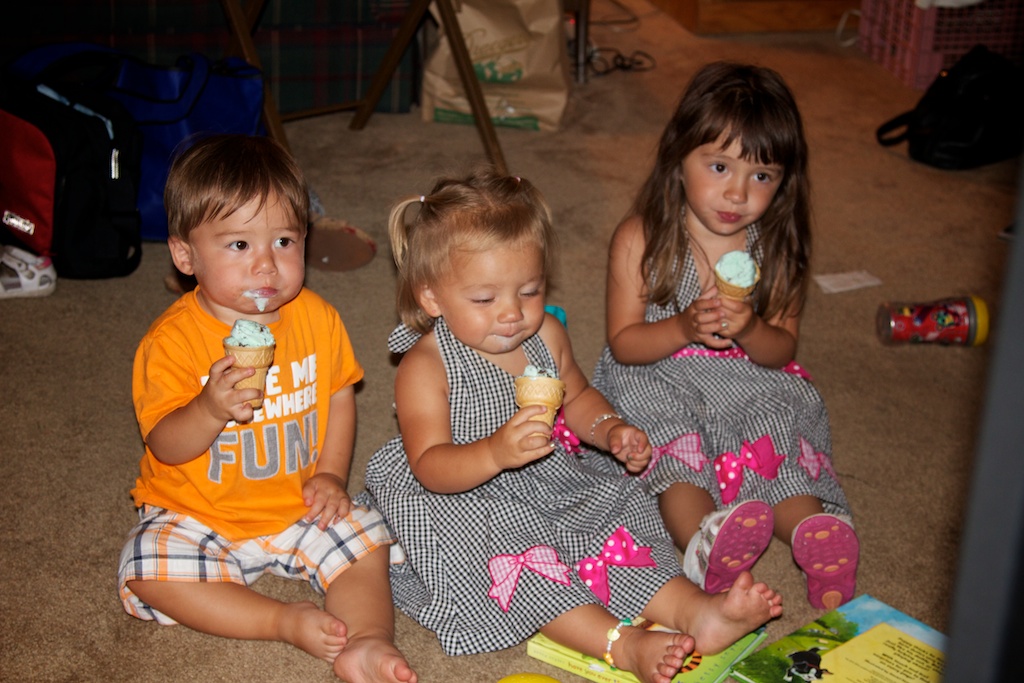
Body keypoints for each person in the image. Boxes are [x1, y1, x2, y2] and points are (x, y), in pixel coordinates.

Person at [361, 167, 782, 683]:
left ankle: (695, 610)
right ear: (431, 298)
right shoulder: (425, 366)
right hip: (466, 496)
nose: (512, 314)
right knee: (524, 562)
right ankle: (621, 644)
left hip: (551, 476)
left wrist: (609, 428)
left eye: (529, 290)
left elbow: (577, 397)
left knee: (616, 521)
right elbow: (429, 465)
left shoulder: (548, 335)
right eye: (485, 299)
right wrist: (494, 453)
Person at [117, 134, 416, 683]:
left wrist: (331, 475)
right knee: (146, 568)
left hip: (295, 504)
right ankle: (278, 621)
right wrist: (209, 408)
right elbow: (164, 443)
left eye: (283, 241)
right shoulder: (171, 341)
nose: (266, 265)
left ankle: (366, 640)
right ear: (185, 256)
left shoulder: (318, 319)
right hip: (197, 510)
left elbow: (339, 396)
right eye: (238, 245)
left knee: (366, 535)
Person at [591, 62, 859, 610]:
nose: (737, 193)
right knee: (672, 438)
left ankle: (813, 534)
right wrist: (684, 326)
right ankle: (705, 541)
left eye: (762, 177)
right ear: (678, 158)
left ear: (784, 181)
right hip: (659, 372)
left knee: (776, 425)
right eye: (719, 166)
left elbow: (782, 348)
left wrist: (752, 327)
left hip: (747, 377)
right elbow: (624, 342)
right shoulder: (642, 237)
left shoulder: (778, 247)